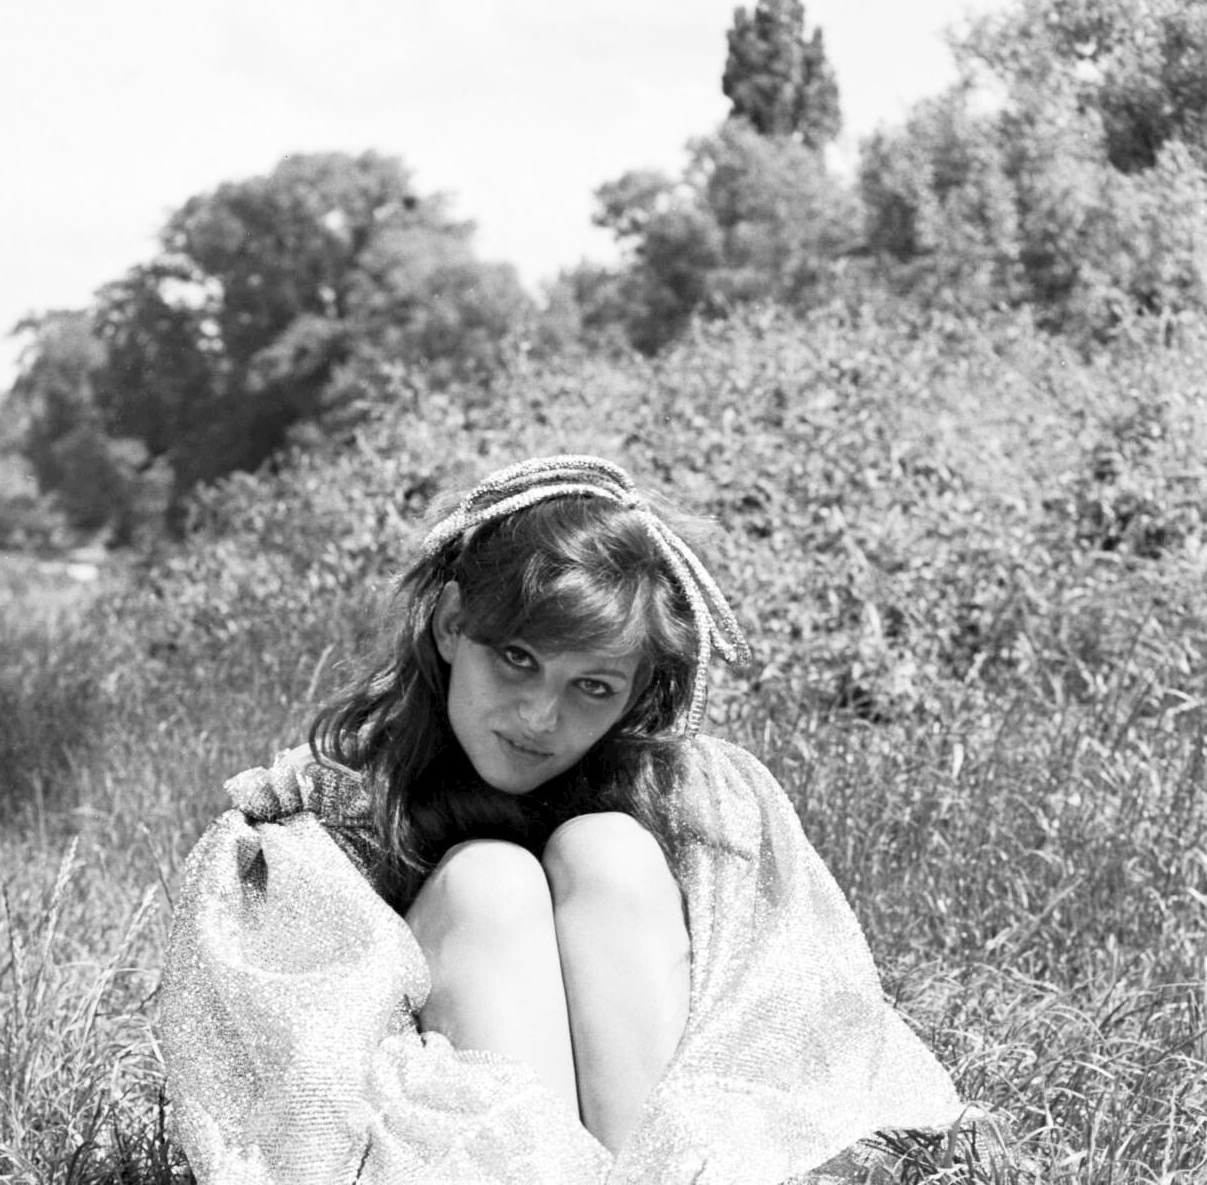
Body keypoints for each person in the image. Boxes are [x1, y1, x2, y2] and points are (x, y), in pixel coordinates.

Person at [161, 455, 974, 1184]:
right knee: (488, 882)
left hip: (670, 1145)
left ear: (636, 692)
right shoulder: (332, 806)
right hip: (444, 1150)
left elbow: (775, 1007)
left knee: (606, 851)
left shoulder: (686, 797)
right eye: (517, 659)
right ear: (451, 625)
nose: (540, 717)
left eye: (593, 686)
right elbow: (299, 1075)